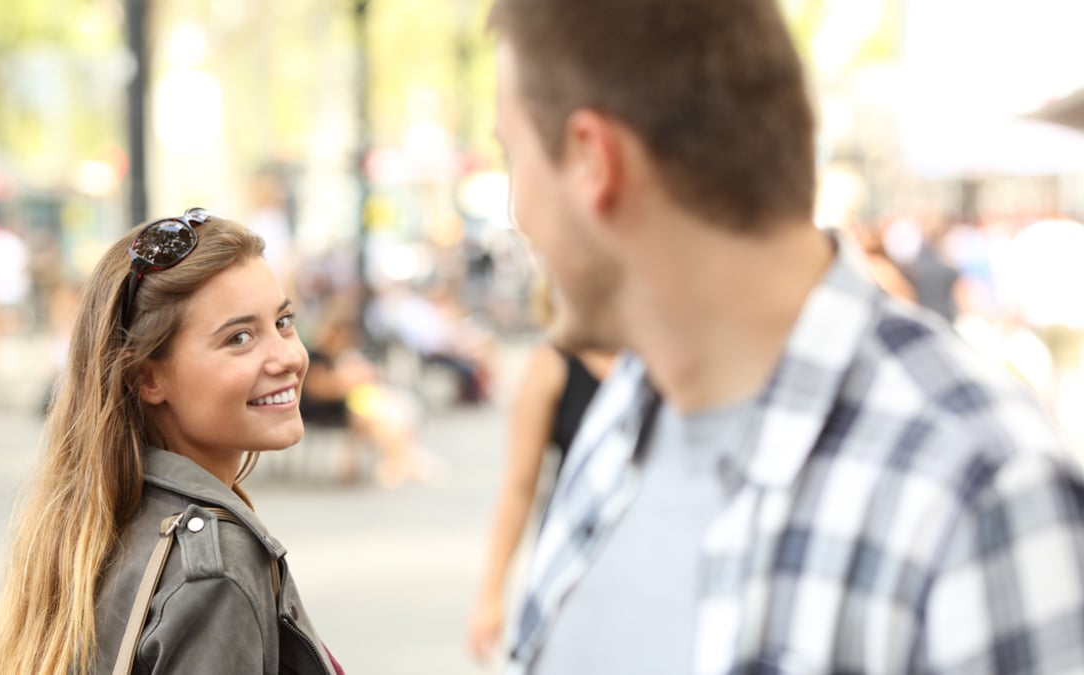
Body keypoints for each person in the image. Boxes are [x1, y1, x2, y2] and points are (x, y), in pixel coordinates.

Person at [488, 1, 1084, 674]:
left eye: (513, 156)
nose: (517, 214)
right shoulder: (623, 415)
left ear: (595, 159)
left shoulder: (979, 486)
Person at [0, 209, 343, 675]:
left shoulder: (102, 521)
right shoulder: (214, 570)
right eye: (239, 338)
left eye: (282, 322)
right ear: (149, 378)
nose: (287, 358)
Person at [466, 340, 614, 662]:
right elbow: (519, 485)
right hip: (576, 558)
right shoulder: (551, 364)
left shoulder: (657, 358)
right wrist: (491, 594)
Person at [299, 305, 443, 487]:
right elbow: (318, 389)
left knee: (388, 408)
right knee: (376, 413)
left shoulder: (345, 355)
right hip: (326, 408)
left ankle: (399, 458)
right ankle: (397, 460)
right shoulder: (316, 356)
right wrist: (347, 382)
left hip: (350, 402)